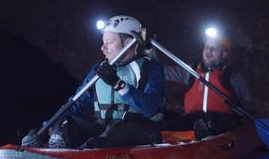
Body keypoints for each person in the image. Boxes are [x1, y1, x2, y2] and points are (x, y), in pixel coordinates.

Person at [21, 15, 165, 149]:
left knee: (110, 136)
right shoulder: (100, 70)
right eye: (103, 42)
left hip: (141, 129)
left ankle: (87, 155)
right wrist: (47, 128)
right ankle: (56, 151)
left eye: (110, 42)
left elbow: (150, 108)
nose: (103, 48)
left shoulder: (151, 67)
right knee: (65, 124)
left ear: (128, 42)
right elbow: (77, 105)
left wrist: (117, 84)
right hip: (104, 128)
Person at [163, 31, 251, 139]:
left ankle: (203, 137)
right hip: (193, 120)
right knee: (170, 124)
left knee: (210, 120)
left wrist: (238, 105)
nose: (209, 50)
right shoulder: (190, 71)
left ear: (223, 54)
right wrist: (150, 54)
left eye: (215, 48)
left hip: (221, 123)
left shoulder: (232, 76)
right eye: (207, 47)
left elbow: (249, 107)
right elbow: (162, 72)